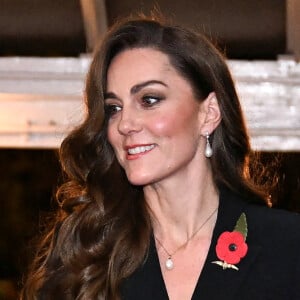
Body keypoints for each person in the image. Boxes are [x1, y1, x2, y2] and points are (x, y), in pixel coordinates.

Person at [21, 16, 300, 300]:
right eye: (113, 108)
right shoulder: (86, 254)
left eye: (149, 100)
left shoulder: (288, 245)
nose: (124, 124)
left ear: (209, 113)